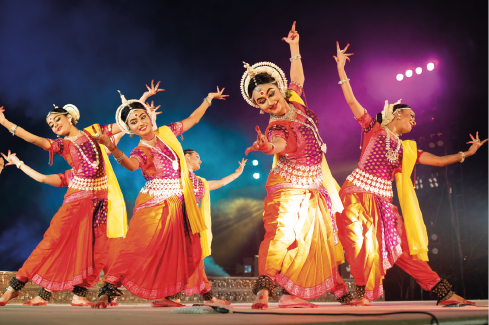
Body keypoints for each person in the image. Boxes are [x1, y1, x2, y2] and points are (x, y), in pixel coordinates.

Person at [333, 42, 486, 306]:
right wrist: (341, 69)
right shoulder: (373, 128)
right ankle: (359, 294)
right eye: (410, 116)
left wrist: (466, 154)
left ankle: (443, 293)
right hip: (356, 196)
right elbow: (350, 100)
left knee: (403, 250)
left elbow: (437, 161)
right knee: (359, 245)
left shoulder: (407, 149)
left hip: (383, 203)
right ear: (394, 114)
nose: (414, 121)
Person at [0, 84, 163, 306]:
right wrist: (4, 122)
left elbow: (125, 123)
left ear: (69, 117)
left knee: (100, 249)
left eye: (57, 120)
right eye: (50, 124)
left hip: (102, 201)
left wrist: (143, 103)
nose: (54, 125)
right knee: (52, 241)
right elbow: (34, 140)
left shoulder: (95, 132)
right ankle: (15, 286)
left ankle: (80, 294)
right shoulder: (63, 145)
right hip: (78, 199)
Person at [241, 22, 352, 310]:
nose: (268, 101)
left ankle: (294, 295)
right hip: (287, 185)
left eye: (269, 93)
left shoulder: (294, 99)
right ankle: (263, 291)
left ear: (279, 88)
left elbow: (298, 77)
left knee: (318, 240)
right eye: (260, 101)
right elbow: (277, 144)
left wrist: (293, 47)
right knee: (282, 235)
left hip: (314, 184)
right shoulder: (276, 126)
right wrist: (266, 147)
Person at [91, 86, 228, 309]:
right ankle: (107, 290)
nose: (140, 122)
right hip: (154, 203)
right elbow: (132, 166)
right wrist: (113, 148)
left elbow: (192, 120)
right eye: (134, 122)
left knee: (191, 250)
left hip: (181, 203)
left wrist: (208, 99)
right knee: (136, 247)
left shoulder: (166, 132)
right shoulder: (140, 150)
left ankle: (201, 297)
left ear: (149, 117)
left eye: (142, 116)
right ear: (130, 129)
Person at [164, 149, 247, 306]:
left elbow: (221, 182)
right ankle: (180, 296)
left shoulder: (199, 182)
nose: (200, 160)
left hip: (192, 225)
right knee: (180, 259)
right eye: (197, 157)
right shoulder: (175, 176)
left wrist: (238, 173)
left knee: (194, 260)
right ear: (186, 157)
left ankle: (188, 296)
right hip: (175, 222)